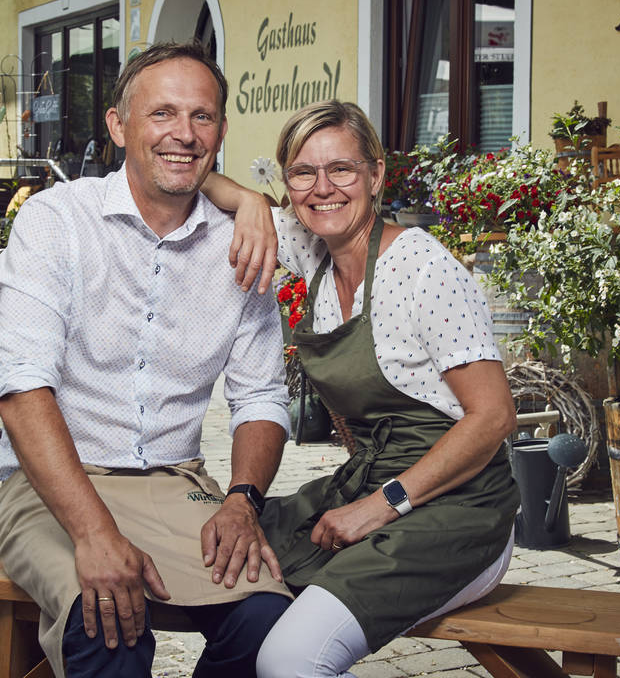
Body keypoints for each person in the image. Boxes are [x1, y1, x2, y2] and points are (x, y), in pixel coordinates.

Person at [0, 41, 294, 678]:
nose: (183, 134)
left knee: (273, 630)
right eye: (162, 114)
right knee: (108, 626)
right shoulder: (56, 221)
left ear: (222, 131)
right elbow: (22, 390)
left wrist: (241, 499)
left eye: (202, 117)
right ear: (118, 124)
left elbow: (262, 397)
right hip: (50, 487)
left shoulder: (243, 242)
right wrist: (95, 533)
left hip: (173, 482)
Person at [201, 100, 520, 678]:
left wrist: (381, 506)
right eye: (303, 172)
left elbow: (495, 417)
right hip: (365, 487)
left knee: (290, 656)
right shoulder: (313, 249)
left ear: (376, 176)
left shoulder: (423, 267)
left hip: (459, 511)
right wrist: (252, 198)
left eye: (342, 170)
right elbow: (204, 178)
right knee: (221, 564)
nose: (323, 188)